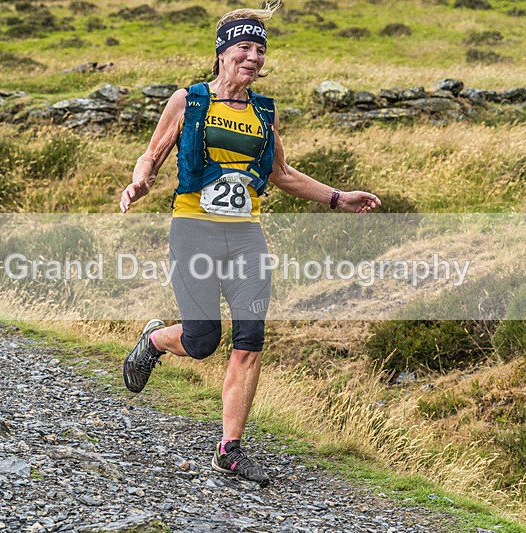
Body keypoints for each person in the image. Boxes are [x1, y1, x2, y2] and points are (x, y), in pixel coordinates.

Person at [119, 1, 380, 487]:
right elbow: (151, 155)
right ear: (222, 53)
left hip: (247, 238)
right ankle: (155, 340)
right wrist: (140, 183)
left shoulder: (265, 110)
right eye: (244, 46)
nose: (254, 57)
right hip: (193, 229)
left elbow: (281, 174)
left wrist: (338, 197)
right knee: (202, 341)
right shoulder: (190, 101)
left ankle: (229, 451)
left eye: (260, 50)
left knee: (250, 342)